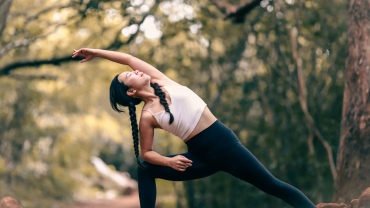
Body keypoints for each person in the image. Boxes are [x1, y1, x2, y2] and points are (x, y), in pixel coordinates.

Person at [72, 48, 316, 208]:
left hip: (225, 145)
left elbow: (127, 57)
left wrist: (95, 52)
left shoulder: (160, 80)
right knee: (145, 169)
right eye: (128, 75)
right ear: (131, 91)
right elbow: (146, 153)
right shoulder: (147, 116)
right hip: (199, 158)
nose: (134, 69)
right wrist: (169, 162)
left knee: (273, 186)